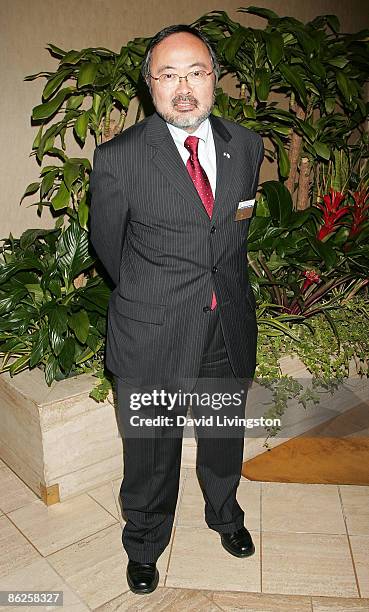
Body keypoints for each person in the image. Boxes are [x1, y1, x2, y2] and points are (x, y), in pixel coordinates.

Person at [89, 24, 264, 595]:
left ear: (214, 80)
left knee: (221, 435)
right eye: (168, 75)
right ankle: (144, 541)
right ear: (150, 87)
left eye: (196, 72)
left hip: (227, 324)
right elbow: (109, 249)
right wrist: (154, 300)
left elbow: (234, 231)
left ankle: (224, 514)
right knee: (150, 451)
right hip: (153, 331)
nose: (183, 87)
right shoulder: (120, 158)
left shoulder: (247, 145)